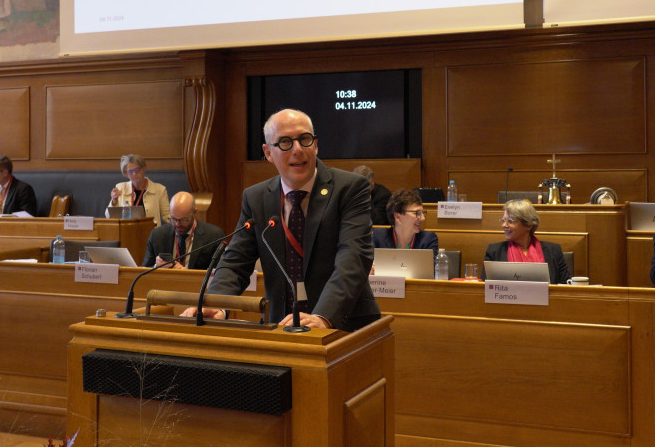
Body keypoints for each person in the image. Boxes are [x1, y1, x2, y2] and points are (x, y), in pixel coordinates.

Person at [182, 109, 380, 331]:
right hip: (281, 326)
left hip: (343, 325)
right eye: (285, 142)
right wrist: (217, 303)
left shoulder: (349, 188)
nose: (298, 150)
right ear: (268, 152)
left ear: (315, 145)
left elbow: (353, 259)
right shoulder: (256, 198)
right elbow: (236, 261)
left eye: (305, 139)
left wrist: (323, 316)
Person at [483, 200, 570, 284]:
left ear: (528, 225)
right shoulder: (494, 251)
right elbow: (484, 288)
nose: (504, 225)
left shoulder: (554, 251)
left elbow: (565, 286)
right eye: (503, 220)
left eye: (510, 221)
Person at [142, 191, 224, 269]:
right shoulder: (157, 235)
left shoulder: (213, 236)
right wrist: (156, 266)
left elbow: (218, 274)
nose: (178, 224)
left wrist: (188, 275)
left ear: (194, 212)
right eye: (173, 219)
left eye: (184, 219)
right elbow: (144, 272)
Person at [107, 154, 171, 227]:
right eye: (130, 172)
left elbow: (168, 217)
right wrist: (114, 202)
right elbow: (108, 216)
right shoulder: (120, 188)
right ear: (126, 174)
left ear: (143, 169)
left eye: (137, 170)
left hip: (151, 234)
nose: (134, 174)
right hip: (126, 232)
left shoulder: (160, 190)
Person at [372, 188, 438, 255]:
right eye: (417, 213)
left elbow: (431, 265)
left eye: (422, 213)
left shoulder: (428, 239)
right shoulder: (379, 236)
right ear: (398, 217)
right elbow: (368, 263)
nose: (423, 218)